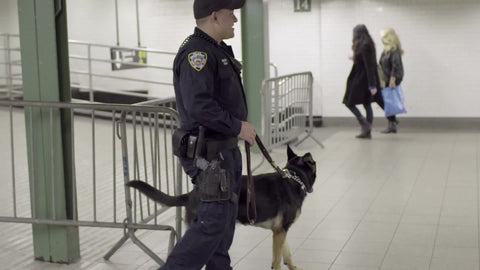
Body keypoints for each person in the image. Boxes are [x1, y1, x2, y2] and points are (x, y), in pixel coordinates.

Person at [164, 0, 256, 269]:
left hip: (224, 151)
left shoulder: (215, 51)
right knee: (211, 225)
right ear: (215, 16)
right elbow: (200, 106)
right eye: (232, 14)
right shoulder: (197, 54)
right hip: (209, 155)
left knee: (223, 228)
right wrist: (238, 126)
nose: (235, 20)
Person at [343, 24, 379, 139]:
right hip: (364, 78)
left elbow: (369, 66)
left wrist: (372, 85)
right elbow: (366, 62)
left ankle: (365, 124)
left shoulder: (364, 46)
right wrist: (355, 58)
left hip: (361, 79)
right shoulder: (367, 44)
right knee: (366, 103)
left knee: (349, 102)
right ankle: (367, 131)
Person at [376, 28, 404, 133]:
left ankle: (392, 121)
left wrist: (393, 80)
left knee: (387, 101)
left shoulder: (394, 50)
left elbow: (395, 66)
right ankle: (392, 124)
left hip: (392, 78)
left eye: (383, 36)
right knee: (388, 102)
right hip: (386, 79)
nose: (381, 39)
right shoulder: (386, 50)